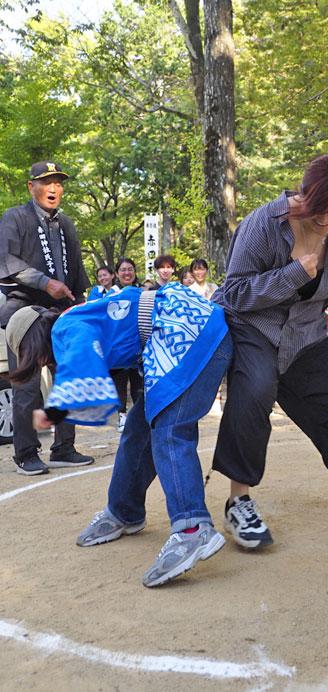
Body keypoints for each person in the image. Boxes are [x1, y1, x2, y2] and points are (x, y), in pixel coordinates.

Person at [211, 154, 328, 551]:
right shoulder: (263, 224)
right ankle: (238, 501)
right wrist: (294, 273)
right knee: (254, 393)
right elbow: (233, 293)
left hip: (305, 338)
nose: (325, 220)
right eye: (317, 209)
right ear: (302, 193)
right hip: (255, 331)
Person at [6, 282, 232, 587]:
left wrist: (53, 414)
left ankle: (193, 529)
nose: (40, 364)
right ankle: (124, 510)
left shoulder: (64, 331)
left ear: (33, 343)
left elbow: (87, 378)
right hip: (187, 327)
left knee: (169, 431)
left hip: (185, 334)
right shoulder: (74, 318)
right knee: (138, 430)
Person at [0, 161, 93, 475]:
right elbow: (6, 259)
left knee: (67, 381)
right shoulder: (15, 217)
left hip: (60, 314)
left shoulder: (65, 223)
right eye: (46, 182)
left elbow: (76, 272)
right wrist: (44, 282)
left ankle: (64, 446)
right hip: (24, 312)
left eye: (58, 182)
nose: (53, 188)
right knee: (26, 386)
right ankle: (25, 453)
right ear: (31, 187)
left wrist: (80, 308)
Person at [112, 257, 143, 432]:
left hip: (138, 344)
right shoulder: (112, 294)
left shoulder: (141, 291)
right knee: (120, 382)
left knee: (138, 382)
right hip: (119, 346)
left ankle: (138, 417)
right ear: (117, 273)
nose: (127, 273)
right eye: (123, 270)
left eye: (130, 269)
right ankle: (122, 416)